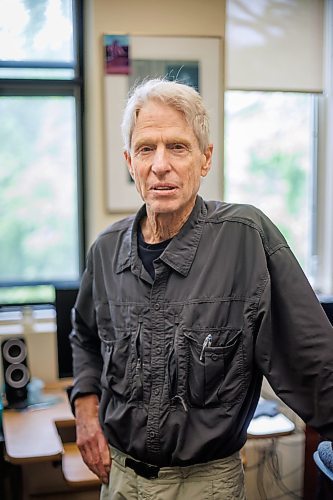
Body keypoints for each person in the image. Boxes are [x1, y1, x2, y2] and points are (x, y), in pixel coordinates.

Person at [69, 78, 333, 499]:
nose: (160, 165)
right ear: (129, 161)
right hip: (118, 481)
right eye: (145, 148)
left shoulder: (245, 239)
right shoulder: (104, 251)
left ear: (205, 158)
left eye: (177, 146)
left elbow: (314, 364)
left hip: (205, 485)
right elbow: (84, 336)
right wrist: (85, 406)